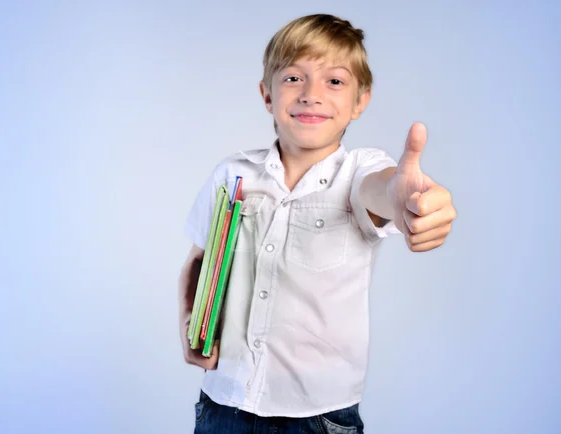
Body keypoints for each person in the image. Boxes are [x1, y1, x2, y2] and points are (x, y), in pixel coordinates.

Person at [178, 13, 457, 434]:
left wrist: (406, 200)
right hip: (223, 405)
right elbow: (200, 258)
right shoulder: (232, 173)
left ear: (360, 100)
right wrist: (190, 324)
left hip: (319, 418)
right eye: (293, 78)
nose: (311, 94)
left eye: (334, 81)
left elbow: (381, 191)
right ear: (267, 95)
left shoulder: (361, 171)